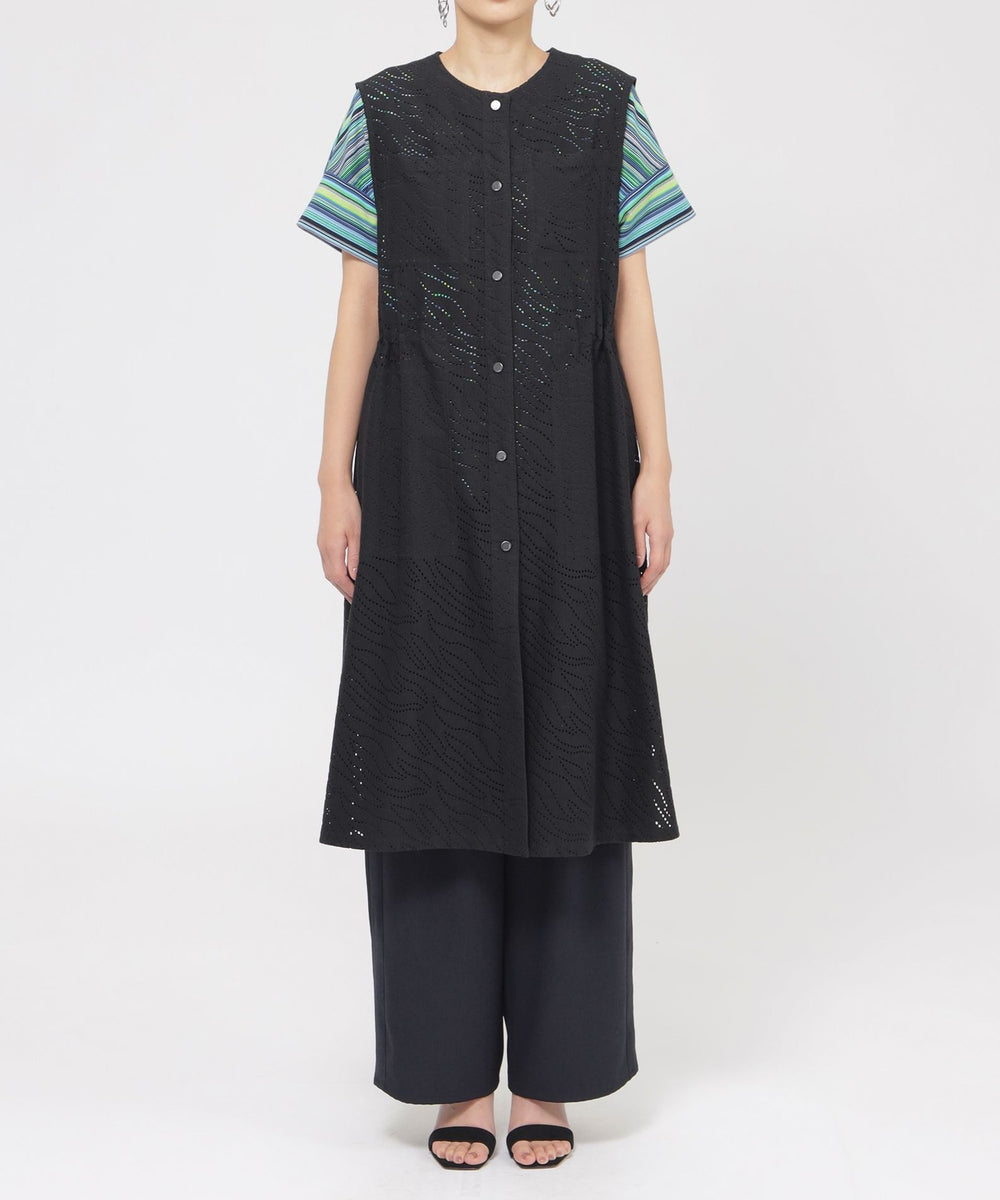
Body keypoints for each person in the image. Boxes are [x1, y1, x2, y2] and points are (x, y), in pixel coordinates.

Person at [296, 0, 696, 1172]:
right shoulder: (381, 112)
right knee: (429, 742)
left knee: (572, 729)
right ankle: (453, 1078)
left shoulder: (605, 108)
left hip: (572, 474)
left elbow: (629, 295)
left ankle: (554, 1077)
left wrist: (656, 466)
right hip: (424, 474)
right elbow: (359, 303)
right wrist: (332, 478)